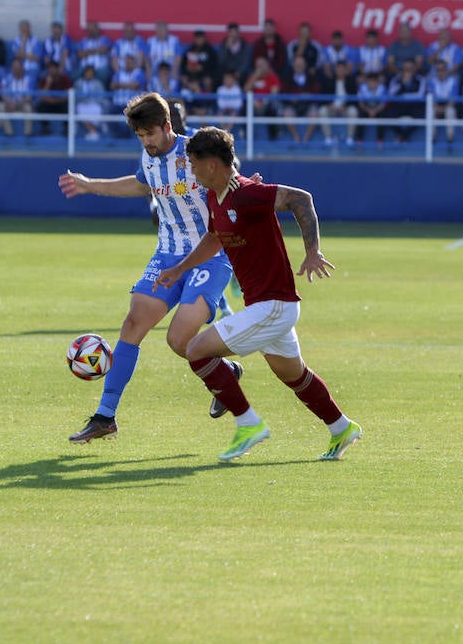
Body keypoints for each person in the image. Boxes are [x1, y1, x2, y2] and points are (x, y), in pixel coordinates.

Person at [155, 125, 363, 462]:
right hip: (264, 307)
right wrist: (179, 269)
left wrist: (312, 251)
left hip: (274, 306)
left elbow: (301, 199)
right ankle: (342, 428)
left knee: (196, 349)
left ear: (211, 164)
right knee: (294, 375)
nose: (191, 170)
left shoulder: (247, 193)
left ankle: (249, 424)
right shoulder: (216, 195)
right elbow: (214, 238)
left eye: (193, 163)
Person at [57, 92, 239, 444]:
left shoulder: (199, 153)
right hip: (167, 255)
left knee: (180, 339)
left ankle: (225, 372)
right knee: (133, 324)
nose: (146, 142)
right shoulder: (149, 157)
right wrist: (89, 185)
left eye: (150, 135)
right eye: (140, 137)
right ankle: (105, 417)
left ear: (167, 126)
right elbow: (141, 184)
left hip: (209, 256)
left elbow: (234, 187)